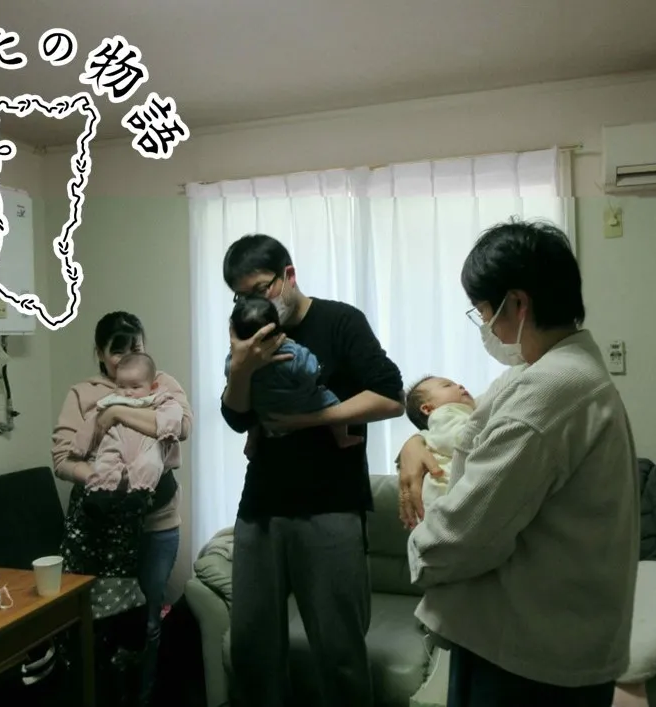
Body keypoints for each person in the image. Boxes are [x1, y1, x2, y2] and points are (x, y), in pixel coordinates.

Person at [397, 219, 640, 707]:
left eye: (485, 312)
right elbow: (468, 434)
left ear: (518, 304)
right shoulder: (549, 374)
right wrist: (413, 442)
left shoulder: (550, 391)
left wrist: (419, 547)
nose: (485, 326)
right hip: (538, 644)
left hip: (529, 661)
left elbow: (465, 534)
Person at [220, 234, 405, 707]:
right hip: (261, 506)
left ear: (289, 275)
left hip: (332, 504)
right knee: (251, 648)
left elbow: (391, 395)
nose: (254, 302)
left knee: (339, 652)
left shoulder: (341, 320)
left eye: (261, 288)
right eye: (241, 296)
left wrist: (309, 420)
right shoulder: (248, 332)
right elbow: (237, 417)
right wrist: (241, 367)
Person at [52, 312, 192, 707]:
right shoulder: (83, 393)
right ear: (99, 353)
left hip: (156, 526)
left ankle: (143, 696)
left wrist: (115, 412)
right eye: (117, 350)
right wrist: (106, 478)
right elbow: (62, 459)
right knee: (102, 622)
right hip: (101, 528)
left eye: (136, 346)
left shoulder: (162, 384)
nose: (128, 356)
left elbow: (181, 427)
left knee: (148, 620)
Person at [69, 352, 186, 577]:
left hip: (145, 447)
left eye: (135, 387)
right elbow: (92, 422)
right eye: (122, 386)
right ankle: (100, 493)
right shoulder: (108, 400)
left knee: (149, 463)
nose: (128, 392)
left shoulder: (159, 397)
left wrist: (168, 430)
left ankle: (139, 494)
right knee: (105, 463)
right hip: (115, 444)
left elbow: (177, 417)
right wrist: (79, 447)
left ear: (152, 386)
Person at [226, 295, 363, 450]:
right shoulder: (290, 353)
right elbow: (311, 371)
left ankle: (251, 441)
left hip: (265, 410)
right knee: (334, 403)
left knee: (254, 416)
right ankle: (342, 438)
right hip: (298, 404)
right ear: (277, 327)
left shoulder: (236, 359)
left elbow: (229, 371)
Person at [403, 368, 522, 513]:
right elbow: (461, 440)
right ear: (428, 409)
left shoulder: (465, 412)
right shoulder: (444, 414)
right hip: (444, 493)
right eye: (447, 385)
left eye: (456, 383)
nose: (459, 385)